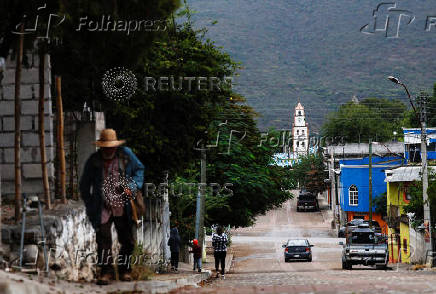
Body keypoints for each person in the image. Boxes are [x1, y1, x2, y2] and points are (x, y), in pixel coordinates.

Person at [80, 129, 144, 285]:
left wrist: (131, 185)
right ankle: (106, 273)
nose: (109, 150)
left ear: (115, 146)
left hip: (123, 206)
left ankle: (125, 270)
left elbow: (139, 170)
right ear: (101, 146)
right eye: (105, 147)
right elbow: (84, 185)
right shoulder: (94, 161)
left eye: (111, 147)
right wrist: (90, 204)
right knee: (103, 241)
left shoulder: (126, 155)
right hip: (102, 206)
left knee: (127, 241)